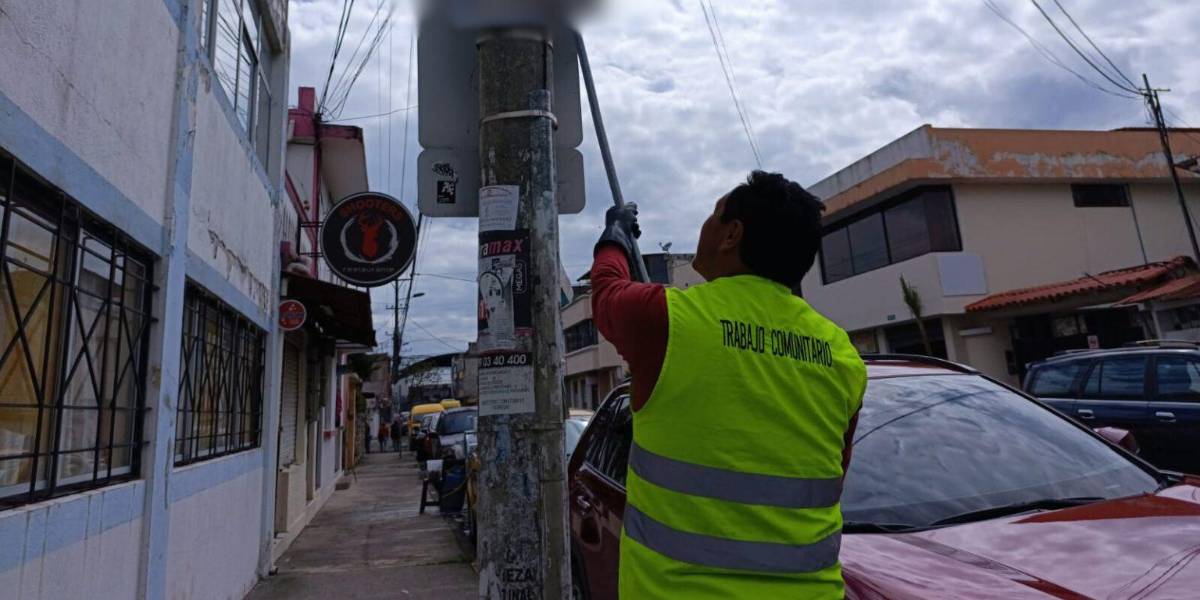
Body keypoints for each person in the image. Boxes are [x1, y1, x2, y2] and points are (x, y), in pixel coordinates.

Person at [591, 171, 866, 599]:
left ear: (731, 234)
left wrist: (613, 238)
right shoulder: (841, 355)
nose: (705, 225)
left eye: (713, 215)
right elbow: (830, 477)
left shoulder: (668, 320)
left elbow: (606, 294)